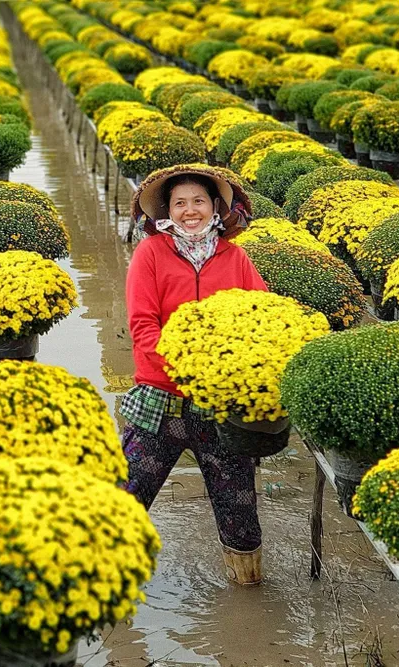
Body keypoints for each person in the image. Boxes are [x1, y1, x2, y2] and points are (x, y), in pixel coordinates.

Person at [122, 165, 268, 585]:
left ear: (216, 208)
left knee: (240, 515)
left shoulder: (235, 258)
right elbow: (143, 326)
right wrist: (188, 371)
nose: (190, 211)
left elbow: (262, 316)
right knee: (121, 499)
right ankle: (96, 587)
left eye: (198, 201)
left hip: (221, 409)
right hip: (161, 403)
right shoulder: (150, 254)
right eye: (179, 203)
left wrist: (242, 372)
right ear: (166, 211)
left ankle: (247, 597)